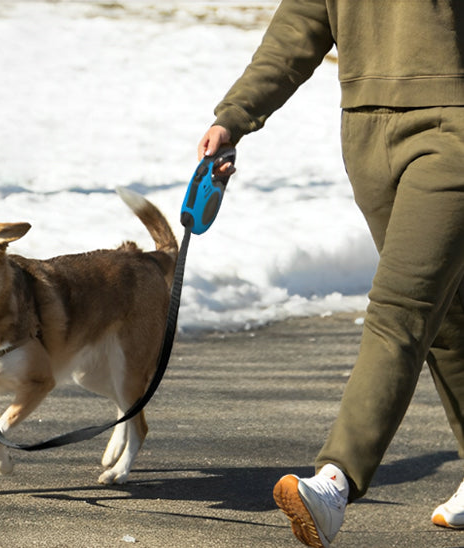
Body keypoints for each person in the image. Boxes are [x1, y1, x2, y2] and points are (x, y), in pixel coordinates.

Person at [197, 1, 464, 547]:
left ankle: (335, 482)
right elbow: (300, 25)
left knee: (402, 308)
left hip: (453, 121)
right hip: (366, 131)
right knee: (447, 317)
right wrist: (234, 116)